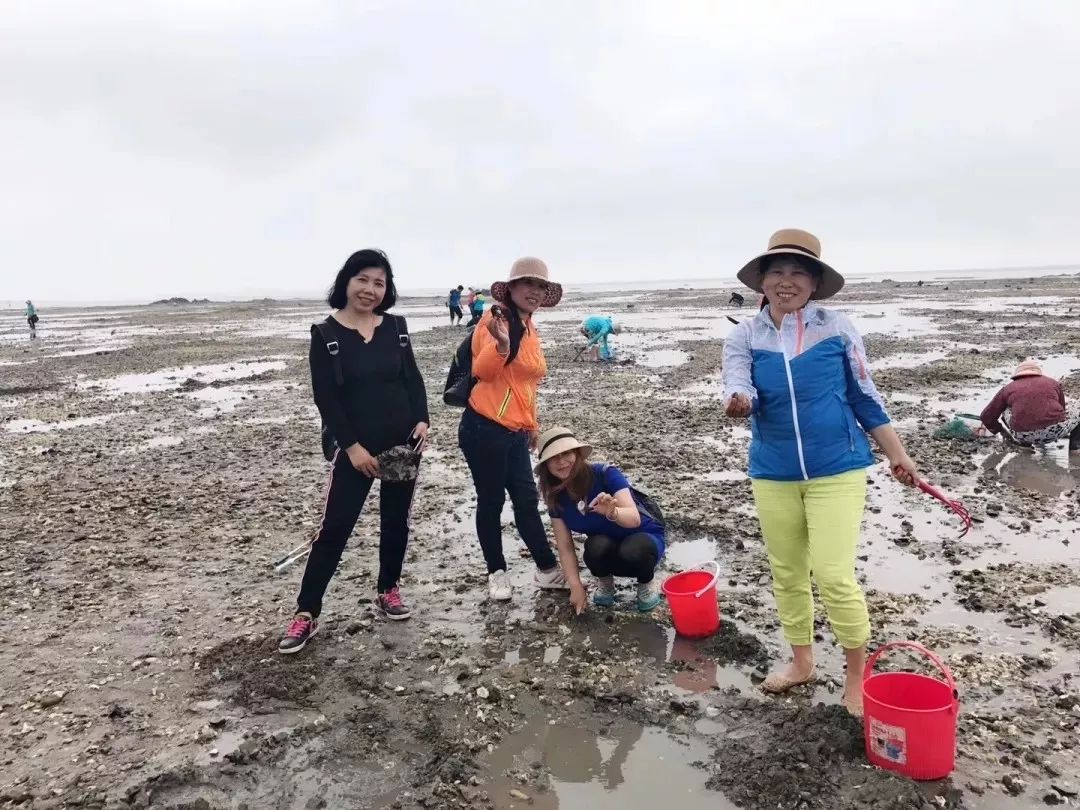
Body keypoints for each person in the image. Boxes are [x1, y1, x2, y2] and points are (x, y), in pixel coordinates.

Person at [722, 228, 919, 716]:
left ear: (813, 283)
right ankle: (802, 662)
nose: (786, 281)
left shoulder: (837, 327)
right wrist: (738, 401)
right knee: (787, 572)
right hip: (773, 470)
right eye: (777, 272)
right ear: (762, 282)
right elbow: (736, 383)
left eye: (797, 273)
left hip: (838, 467)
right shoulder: (744, 335)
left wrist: (897, 452)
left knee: (833, 574)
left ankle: (857, 675)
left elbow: (863, 393)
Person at [279, 249, 430, 654]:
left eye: (379, 282)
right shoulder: (325, 334)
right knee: (335, 528)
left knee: (396, 522)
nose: (370, 289)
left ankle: (388, 590)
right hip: (355, 449)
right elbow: (325, 399)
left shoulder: (397, 327)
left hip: (403, 442)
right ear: (346, 281)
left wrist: (423, 420)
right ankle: (306, 613)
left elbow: (412, 379)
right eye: (363, 279)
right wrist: (352, 448)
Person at [458, 258, 569, 601]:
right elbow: (484, 370)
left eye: (541, 287)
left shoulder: (530, 326)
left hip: (516, 432)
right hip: (484, 427)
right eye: (528, 284)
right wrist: (503, 344)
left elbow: (526, 385)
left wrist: (531, 426)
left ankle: (547, 569)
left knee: (525, 498)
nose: (534, 292)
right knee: (490, 501)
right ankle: (497, 572)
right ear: (512, 288)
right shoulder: (495, 321)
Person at [535, 427, 664, 613]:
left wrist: (612, 513)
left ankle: (646, 582)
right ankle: (605, 582)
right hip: (606, 545)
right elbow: (564, 546)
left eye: (567, 453)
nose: (562, 462)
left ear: (577, 454)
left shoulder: (605, 473)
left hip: (642, 538)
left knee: (635, 548)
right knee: (594, 546)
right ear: (546, 465)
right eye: (554, 458)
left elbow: (634, 519)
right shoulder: (556, 497)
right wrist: (576, 586)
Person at [980, 360, 1080, 451]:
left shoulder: (1007, 388)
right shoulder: (1053, 383)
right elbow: (1062, 409)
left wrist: (1001, 431)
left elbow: (986, 416)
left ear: (1017, 375)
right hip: (1055, 432)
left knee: (1006, 408)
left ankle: (1024, 445)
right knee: (1077, 407)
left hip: (1022, 435)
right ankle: (1075, 447)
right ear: (1038, 373)